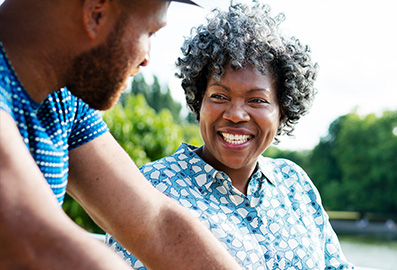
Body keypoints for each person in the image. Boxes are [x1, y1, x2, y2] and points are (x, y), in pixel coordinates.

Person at [106, 1, 354, 269]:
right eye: (219, 96)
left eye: (257, 100)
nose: (236, 114)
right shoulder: (151, 188)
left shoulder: (295, 185)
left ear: (282, 110)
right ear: (198, 102)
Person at [0, 0, 243, 269]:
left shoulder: (63, 103)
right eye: (148, 32)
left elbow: (157, 224)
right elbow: (36, 243)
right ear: (96, 14)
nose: (147, 58)